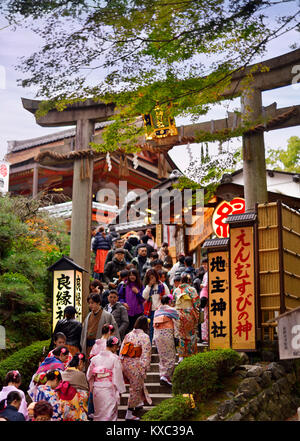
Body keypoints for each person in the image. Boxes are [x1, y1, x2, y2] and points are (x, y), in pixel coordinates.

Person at [120, 316, 152, 421]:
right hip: (136, 365)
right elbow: (146, 354)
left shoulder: (128, 335)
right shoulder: (145, 337)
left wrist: (121, 363)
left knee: (136, 385)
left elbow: (122, 350)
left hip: (125, 363)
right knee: (135, 388)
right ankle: (129, 413)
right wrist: (144, 367)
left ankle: (138, 403)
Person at [87, 336, 125, 421]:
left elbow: (89, 375)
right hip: (109, 389)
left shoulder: (95, 359)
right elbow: (117, 377)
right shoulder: (115, 358)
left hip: (97, 389)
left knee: (99, 414)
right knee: (109, 414)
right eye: (117, 347)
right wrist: (120, 390)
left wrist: (92, 386)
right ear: (114, 346)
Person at [80, 293, 119, 359]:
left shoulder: (107, 315)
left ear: (98, 303)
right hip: (88, 346)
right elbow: (84, 332)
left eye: (92, 303)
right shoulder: (88, 316)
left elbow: (114, 330)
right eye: (89, 303)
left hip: (102, 347)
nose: (90, 305)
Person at [153, 295, 179, 387]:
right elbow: (178, 320)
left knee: (162, 356)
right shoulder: (172, 310)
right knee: (170, 355)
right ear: (169, 301)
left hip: (157, 335)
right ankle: (166, 376)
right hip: (167, 333)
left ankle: (163, 375)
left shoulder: (157, 311)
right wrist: (177, 336)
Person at [173, 273, 200, 361]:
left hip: (178, 315)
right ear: (189, 281)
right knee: (190, 335)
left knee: (180, 335)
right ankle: (191, 355)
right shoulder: (191, 290)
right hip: (189, 315)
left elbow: (173, 302)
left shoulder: (176, 290)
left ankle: (181, 356)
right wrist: (197, 315)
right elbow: (196, 303)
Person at [58, 353, 89, 421]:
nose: (83, 366)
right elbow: (85, 393)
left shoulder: (63, 373)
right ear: (80, 362)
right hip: (76, 403)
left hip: (64, 403)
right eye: (83, 364)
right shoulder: (80, 375)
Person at [142, 268, 170, 343]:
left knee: (160, 329)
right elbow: (144, 296)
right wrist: (149, 285)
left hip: (161, 310)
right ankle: (151, 345)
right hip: (151, 311)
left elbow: (168, 296)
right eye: (150, 278)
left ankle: (160, 345)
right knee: (151, 329)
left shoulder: (162, 285)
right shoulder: (148, 287)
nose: (152, 279)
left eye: (153, 277)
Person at [200, 257, 209, 343]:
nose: (204, 266)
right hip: (205, 297)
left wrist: (202, 286)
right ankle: (206, 337)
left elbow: (205, 285)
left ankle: (207, 337)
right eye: (203, 264)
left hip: (207, 297)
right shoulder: (206, 274)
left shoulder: (208, 274)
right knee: (205, 317)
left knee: (206, 317)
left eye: (205, 264)